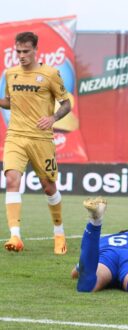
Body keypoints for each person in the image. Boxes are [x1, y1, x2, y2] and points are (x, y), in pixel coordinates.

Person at [0, 32, 72, 254]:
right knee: (12, 178)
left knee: (48, 187)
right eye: (18, 51)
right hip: (16, 136)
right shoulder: (10, 75)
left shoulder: (50, 74)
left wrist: (53, 118)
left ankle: (59, 232)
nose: (21, 56)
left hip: (41, 139)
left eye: (25, 51)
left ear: (35, 50)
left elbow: (66, 104)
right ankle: (15, 236)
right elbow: (10, 103)